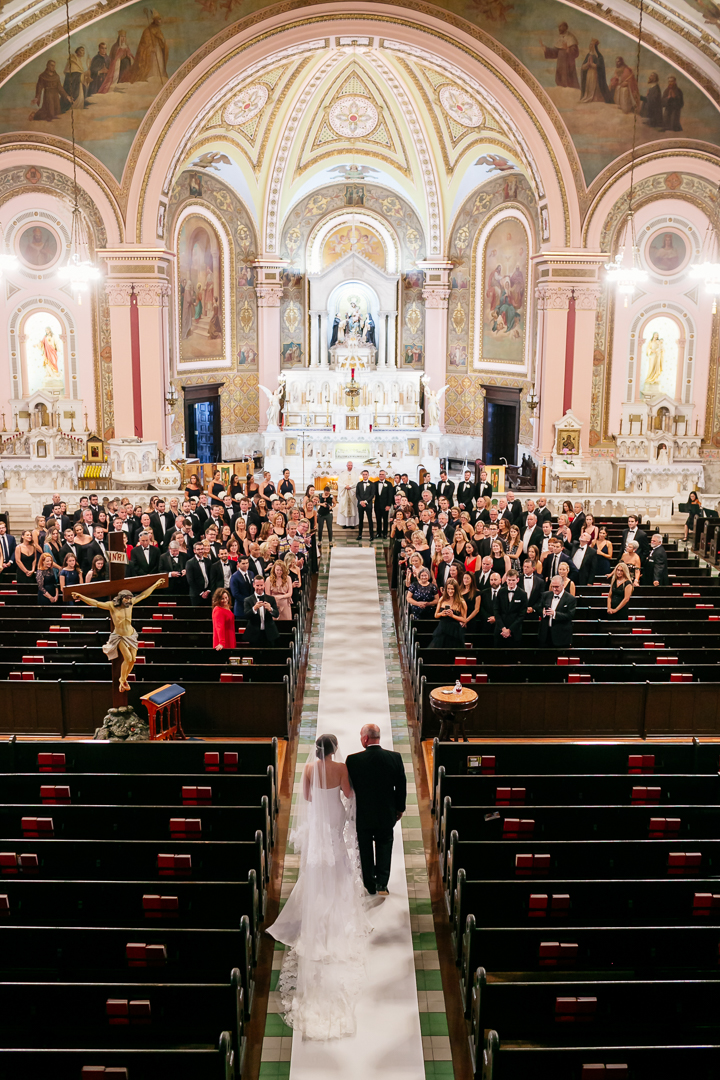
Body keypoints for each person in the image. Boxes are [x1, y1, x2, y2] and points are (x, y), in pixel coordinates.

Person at [268, 733, 373, 1039]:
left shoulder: (309, 769)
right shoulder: (341, 768)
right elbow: (348, 793)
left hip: (319, 820)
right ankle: (338, 908)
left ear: (316, 750)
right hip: (335, 819)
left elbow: (308, 798)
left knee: (319, 864)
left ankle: (318, 903)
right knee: (339, 861)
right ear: (334, 749)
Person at [346, 723, 406, 898]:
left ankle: (369, 884)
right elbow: (401, 786)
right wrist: (399, 808)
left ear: (365, 739)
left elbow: (349, 788)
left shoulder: (353, 760)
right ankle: (382, 883)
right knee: (385, 845)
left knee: (364, 848)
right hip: (386, 812)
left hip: (363, 814)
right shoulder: (394, 758)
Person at [539, 575, 577, 648]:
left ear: (563, 585)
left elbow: (570, 615)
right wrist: (542, 612)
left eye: (557, 587)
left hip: (561, 637)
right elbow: (538, 608)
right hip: (545, 635)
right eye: (553, 586)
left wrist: (555, 614)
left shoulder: (570, 599)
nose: (554, 589)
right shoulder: (546, 595)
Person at [493, 568, 526, 646]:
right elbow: (496, 611)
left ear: (517, 580)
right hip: (500, 630)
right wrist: (503, 628)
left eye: (513, 580)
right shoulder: (501, 592)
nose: (511, 582)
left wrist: (510, 630)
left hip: (515, 631)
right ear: (506, 580)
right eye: (509, 580)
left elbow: (522, 614)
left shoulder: (522, 594)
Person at [430, 579, 467, 648]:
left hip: (454, 631)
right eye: (448, 589)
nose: (450, 591)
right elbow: (436, 615)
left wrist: (453, 616)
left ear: (456, 589)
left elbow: (464, 619)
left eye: (452, 589)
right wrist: (441, 614)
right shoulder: (442, 599)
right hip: (442, 629)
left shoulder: (461, 602)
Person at [243, 576, 279, 644]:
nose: (259, 588)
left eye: (261, 585)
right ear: (253, 585)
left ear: (264, 585)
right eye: (257, 585)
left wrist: (270, 609)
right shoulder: (248, 600)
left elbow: (276, 614)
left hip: (269, 634)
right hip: (254, 635)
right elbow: (246, 616)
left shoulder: (271, 599)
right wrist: (254, 608)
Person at [186, 541, 212, 606]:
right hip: (196, 595)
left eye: (202, 549)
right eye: (198, 549)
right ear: (194, 551)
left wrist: (208, 590)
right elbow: (190, 580)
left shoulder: (208, 561)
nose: (200, 551)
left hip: (208, 594)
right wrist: (201, 593)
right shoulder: (189, 563)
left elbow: (211, 577)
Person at [337, 461, 360, 529]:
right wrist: (345, 486)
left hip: (352, 493)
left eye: (351, 465)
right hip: (345, 493)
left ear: (352, 466)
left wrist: (350, 486)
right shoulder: (342, 474)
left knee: (353, 508)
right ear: (346, 465)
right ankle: (344, 523)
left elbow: (357, 483)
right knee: (345, 507)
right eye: (349, 465)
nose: (350, 466)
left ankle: (352, 524)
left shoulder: (355, 474)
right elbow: (339, 483)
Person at [356, 470, 375, 541]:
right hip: (360, 504)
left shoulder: (372, 484)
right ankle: (360, 535)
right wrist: (361, 501)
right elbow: (357, 494)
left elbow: (372, 495)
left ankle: (371, 536)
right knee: (360, 520)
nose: (364, 476)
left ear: (368, 475)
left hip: (368, 504)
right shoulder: (359, 484)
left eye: (366, 474)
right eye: (363, 474)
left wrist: (366, 501)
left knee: (370, 520)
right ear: (362, 475)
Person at [374, 471, 393, 540]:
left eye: (382, 474)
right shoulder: (375, 483)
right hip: (377, 505)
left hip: (385, 505)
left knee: (385, 520)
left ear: (385, 475)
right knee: (378, 520)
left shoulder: (389, 484)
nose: (381, 476)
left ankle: (385, 533)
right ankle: (378, 533)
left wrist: (388, 505)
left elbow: (390, 495)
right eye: (380, 474)